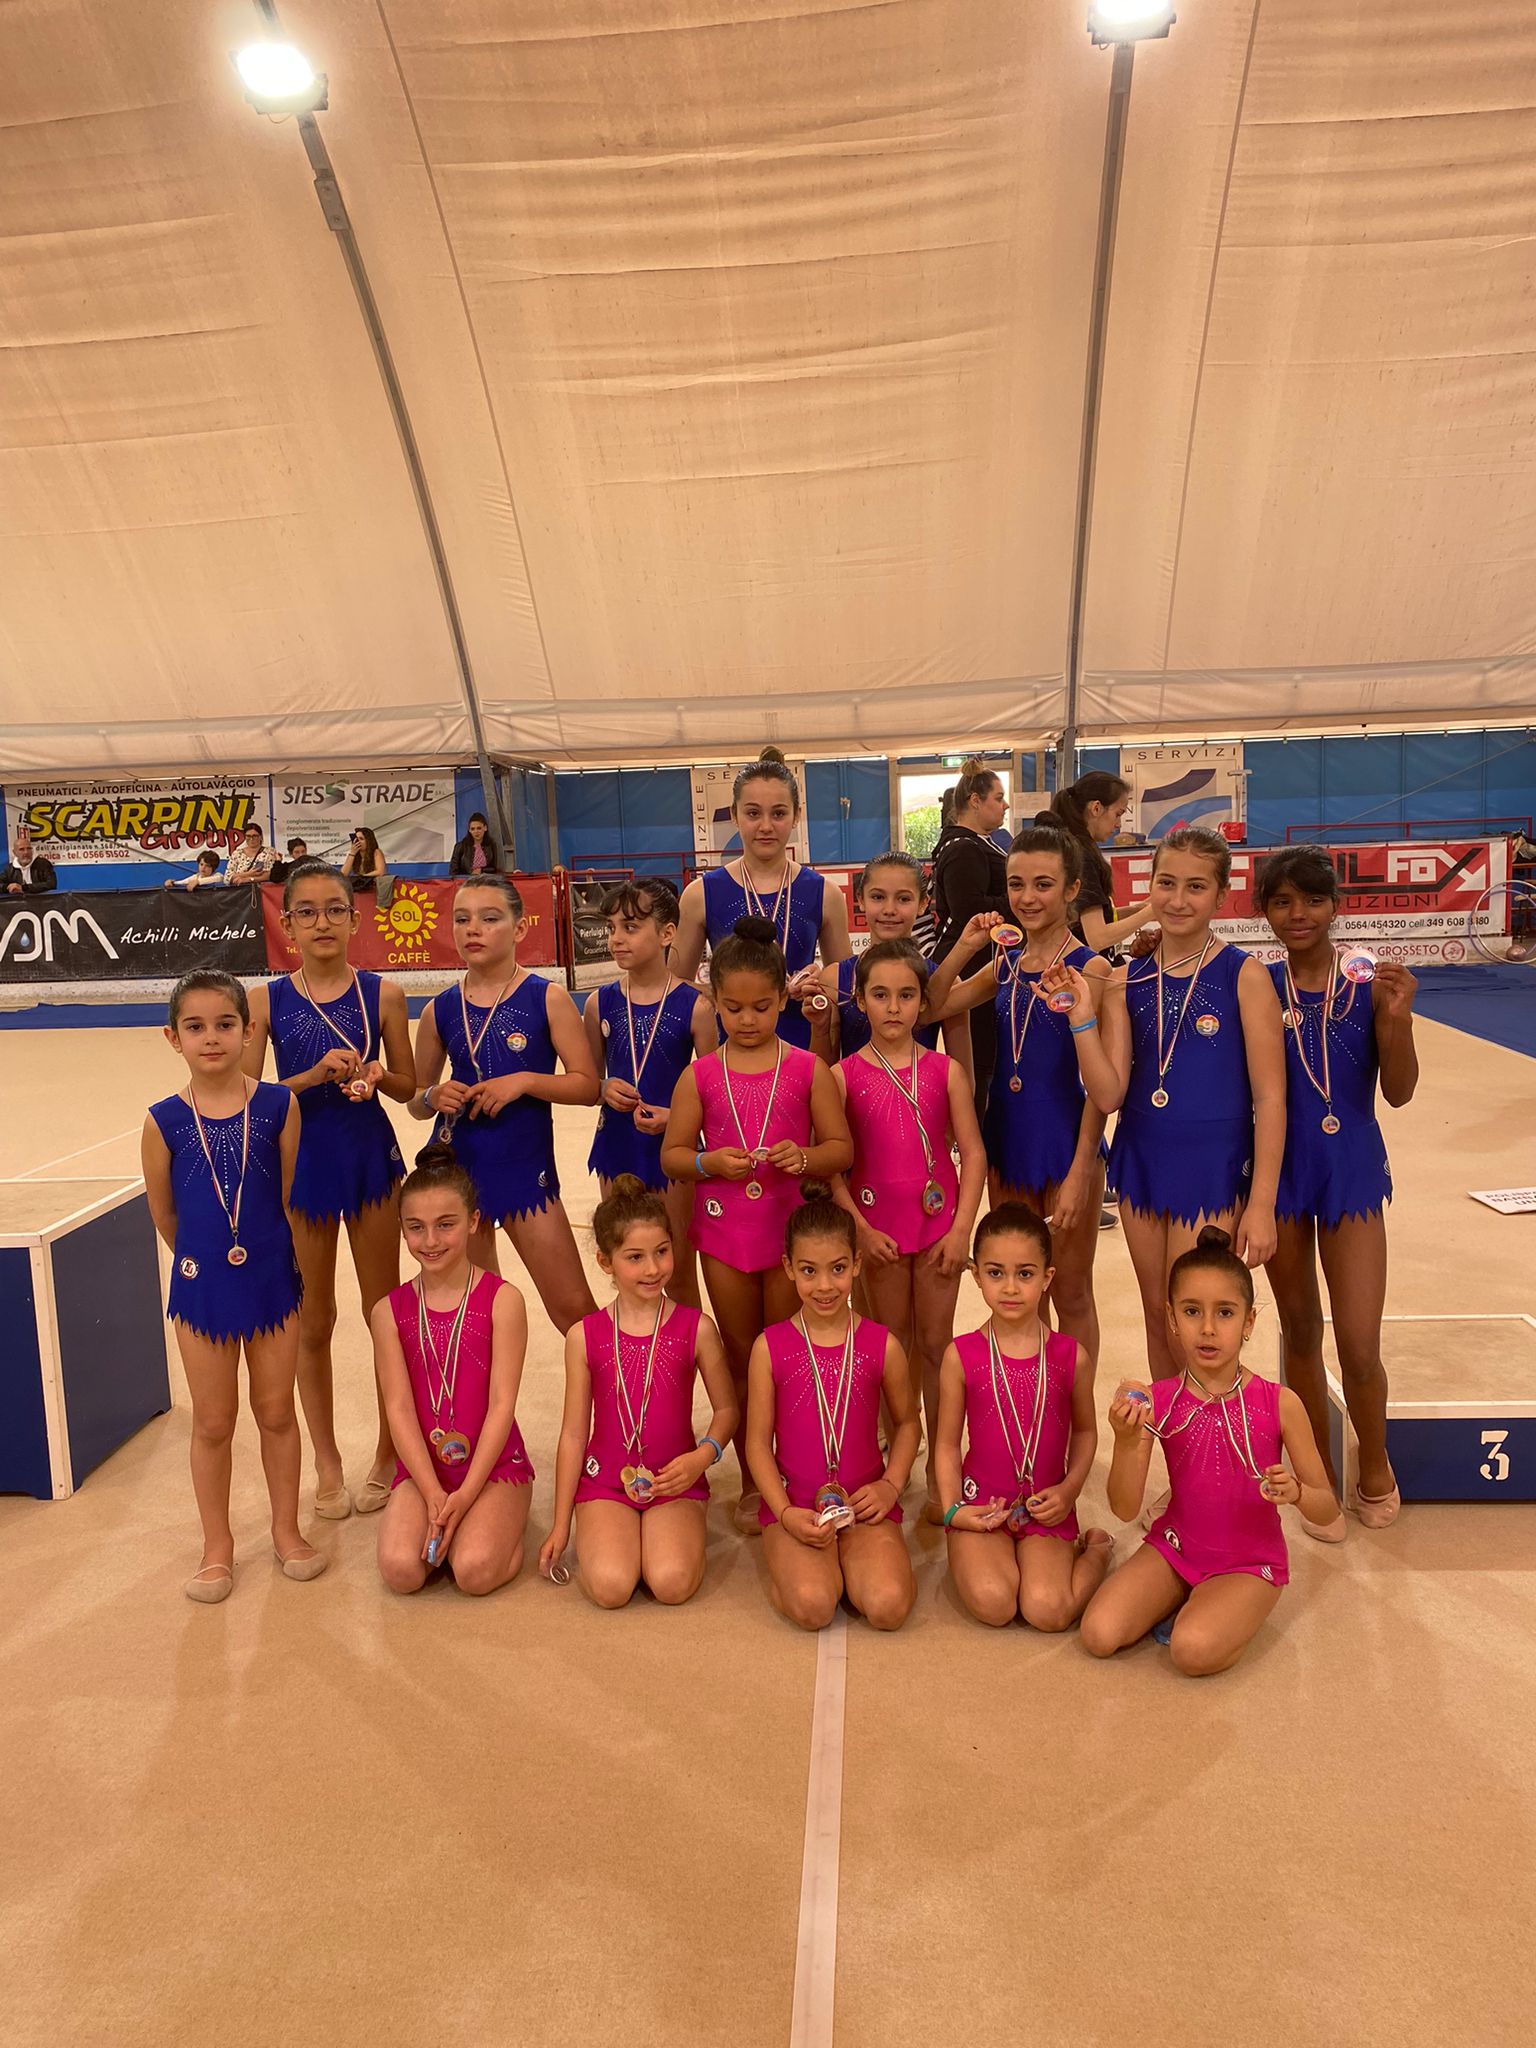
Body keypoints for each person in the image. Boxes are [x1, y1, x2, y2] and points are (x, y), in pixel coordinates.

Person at [1061, 825, 1287, 1380]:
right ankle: (1173, 1433)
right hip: (1142, 1164)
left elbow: (1270, 1098)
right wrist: (1083, 1020)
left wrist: (1261, 1203)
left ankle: (1211, 1434)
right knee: (1158, 1317)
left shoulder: (1244, 976)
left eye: (1195, 886)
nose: (1178, 900)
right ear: (1149, 886)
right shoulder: (1126, 979)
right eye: (1167, 883)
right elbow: (1109, 1093)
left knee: (1199, 1329)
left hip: (1212, 1170)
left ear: (1221, 894)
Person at [660, 916, 854, 1531]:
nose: (747, 1020)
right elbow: (672, 1155)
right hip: (726, 1233)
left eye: (762, 1007)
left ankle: (802, 1470)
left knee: (791, 1352)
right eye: (734, 1008)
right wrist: (708, 1162)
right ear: (714, 1002)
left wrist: (807, 1158)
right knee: (743, 1356)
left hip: (792, 1234)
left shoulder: (806, 1069)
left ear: (782, 1000)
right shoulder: (700, 1075)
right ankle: (752, 1478)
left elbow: (841, 1148)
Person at [139, 970, 324, 1603]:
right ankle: (216, 1544)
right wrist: (207, 1263)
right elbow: (166, 1215)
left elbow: (288, 1194)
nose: (211, 1037)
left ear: (249, 1031)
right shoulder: (163, 1121)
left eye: (225, 1024)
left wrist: (263, 1257)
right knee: (214, 1422)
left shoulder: (278, 1106)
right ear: (173, 1038)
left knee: (276, 1411)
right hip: (204, 1288)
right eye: (195, 1027)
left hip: (271, 1280)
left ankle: (286, 1529)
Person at [1080, 1227, 1336, 1675]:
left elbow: (1326, 1508)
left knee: (1191, 1651)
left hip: (1249, 1561)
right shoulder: (1158, 1401)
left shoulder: (1280, 1403)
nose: (1208, 1328)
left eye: (1226, 1313)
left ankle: (1215, 1606)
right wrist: (1125, 1441)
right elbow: (1124, 1508)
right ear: (1171, 1318)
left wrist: (1297, 1492)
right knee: (1099, 1634)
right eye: (1192, 1311)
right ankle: (1192, 1596)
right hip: (1177, 1546)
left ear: (1249, 1322)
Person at [243, 862, 413, 1518]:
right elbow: (250, 1097)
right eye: (307, 912)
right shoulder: (266, 1001)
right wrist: (313, 1075)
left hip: (369, 1160)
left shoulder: (384, 994)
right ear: (286, 924)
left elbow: (409, 1085)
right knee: (314, 1320)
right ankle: (327, 1456)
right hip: (303, 1164)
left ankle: (390, 1450)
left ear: (354, 918)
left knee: (383, 1314)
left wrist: (378, 1074)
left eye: (335, 910)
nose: (322, 922)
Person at [1258, 845, 1419, 1533]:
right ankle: (1315, 1472)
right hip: (1279, 1172)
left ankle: (1374, 1461)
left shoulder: (1370, 983)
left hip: (1350, 1167)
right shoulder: (1255, 985)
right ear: (1264, 911)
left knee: (1358, 1341)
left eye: (1313, 900)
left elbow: (1400, 1092)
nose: (1299, 914)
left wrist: (1398, 1019)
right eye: (1282, 901)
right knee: (1300, 1329)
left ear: (1335, 906)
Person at [924, 826, 1113, 1365]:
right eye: (1016, 884)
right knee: (1020, 1296)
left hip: (1066, 1143)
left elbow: (1099, 1087)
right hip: (1007, 1141)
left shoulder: (1092, 968)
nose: (1027, 898)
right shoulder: (1005, 962)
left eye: (1043, 884)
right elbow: (934, 1006)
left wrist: (1081, 1172)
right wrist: (964, 945)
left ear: (1072, 889)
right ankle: (1036, 1397)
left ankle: (1076, 1406)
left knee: (1070, 1292)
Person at [829, 939, 986, 1520]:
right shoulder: (842, 1077)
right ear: (860, 1001)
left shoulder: (946, 1072)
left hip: (940, 1226)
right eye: (880, 995)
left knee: (938, 1344)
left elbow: (973, 1154)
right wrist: (860, 1230)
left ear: (924, 1002)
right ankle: (893, 1452)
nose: (893, 1007)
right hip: (879, 1233)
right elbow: (833, 1168)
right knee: (889, 1345)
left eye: (905, 995)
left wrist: (962, 1229)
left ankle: (940, 1464)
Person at [410, 874, 599, 1335]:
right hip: (457, 1171)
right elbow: (416, 1100)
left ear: (519, 928)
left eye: (489, 919)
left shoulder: (546, 998)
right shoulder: (439, 1009)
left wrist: (525, 1081)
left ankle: (609, 1381)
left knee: (573, 1307)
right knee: (476, 1315)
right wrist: (434, 1095)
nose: (473, 929)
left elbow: (587, 1086)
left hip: (523, 1170)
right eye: (462, 919)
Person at [542, 1176, 738, 1607]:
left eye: (661, 1252)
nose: (652, 1269)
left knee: (671, 1583)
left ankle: (675, 1527)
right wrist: (560, 1525)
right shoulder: (584, 1336)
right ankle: (611, 1528)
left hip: (675, 1479)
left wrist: (702, 1457)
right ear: (605, 1261)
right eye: (635, 1257)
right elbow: (573, 1434)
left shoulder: (697, 1328)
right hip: (606, 1481)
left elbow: (727, 1410)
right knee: (611, 1587)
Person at [746, 1185, 918, 1632]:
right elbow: (757, 1444)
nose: (825, 1286)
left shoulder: (882, 1345)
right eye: (809, 1270)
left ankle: (852, 1563)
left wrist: (891, 1485)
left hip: (865, 1500)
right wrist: (784, 1511)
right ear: (789, 1268)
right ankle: (803, 1566)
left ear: (856, 1264)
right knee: (813, 1606)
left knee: (888, 1607)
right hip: (795, 1501)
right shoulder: (769, 1348)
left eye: (838, 1269)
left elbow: (907, 1424)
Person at [935, 1204, 1112, 1628]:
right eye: (996, 1273)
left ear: (1047, 1278)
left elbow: (1085, 1434)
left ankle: (1098, 1552)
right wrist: (953, 1509)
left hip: (1047, 1505)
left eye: (1025, 1274)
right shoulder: (961, 1355)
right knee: (994, 1603)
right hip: (981, 1502)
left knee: (1048, 1611)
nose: (1011, 1288)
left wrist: (1069, 1490)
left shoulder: (1072, 1356)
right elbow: (945, 1444)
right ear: (976, 1275)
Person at [372, 1148, 533, 1596]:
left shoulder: (504, 1301)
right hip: (424, 1466)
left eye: (446, 1224)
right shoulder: (387, 1312)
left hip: (492, 1465)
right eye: (416, 1227)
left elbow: (501, 1405)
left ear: (474, 1221)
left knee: (474, 1572)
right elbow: (399, 1409)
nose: (431, 1241)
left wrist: (467, 1494)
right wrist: (432, 1492)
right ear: (401, 1228)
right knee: (400, 1571)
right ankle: (455, 1521)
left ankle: (502, 1526)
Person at [584, 877, 716, 1308]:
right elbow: (587, 1082)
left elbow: (717, 1092)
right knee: (625, 1264)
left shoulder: (696, 1006)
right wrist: (603, 1086)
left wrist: (677, 1118)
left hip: (672, 1146)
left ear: (667, 933)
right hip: (616, 1144)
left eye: (630, 927)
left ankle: (685, 1348)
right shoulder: (599, 1003)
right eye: (611, 928)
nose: (616, 939)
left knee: (676, 1271)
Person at [671, 748, 851, 1048]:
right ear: (734, 815)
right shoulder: (700, 894)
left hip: (801, 1051)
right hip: (730, 1052)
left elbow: (844, 989)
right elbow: (674, 988)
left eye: (778, 813)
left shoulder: (825, 894)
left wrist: (819, 980)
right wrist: (720, 993)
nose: (766, 826)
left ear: (797, 815)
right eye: (753, 813)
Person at [806, 850, 970, 1076]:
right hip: (850, 1099)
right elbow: (822, 1077)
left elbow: (965, 1079)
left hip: (921, 1098)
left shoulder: (946, 982)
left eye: (903, 899)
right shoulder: (834, 980)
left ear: (923, 903)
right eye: (878, 897)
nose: (889, 910)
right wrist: (820, 1029)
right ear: (860, 900)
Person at [930, 758, 1010, 1117]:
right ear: (975, 801)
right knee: (978, 1062)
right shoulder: (964, 848)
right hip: (968, 964)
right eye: (999, 798)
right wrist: (1019, 903)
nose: (1005, 805)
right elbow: (969, 910)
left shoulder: (976, 844)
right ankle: (973, 1131)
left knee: (984, 1058)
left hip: (979, 962)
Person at [1033, 772, 1157, 955]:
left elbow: (1087, 920)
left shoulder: (1071, 847)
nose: (1118, 824)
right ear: (1096, 808)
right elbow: (1098, 938)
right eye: (1118, 814)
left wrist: (1139, 909)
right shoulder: (1080, 855)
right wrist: (1154, 911)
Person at [1, 825, 57, 895]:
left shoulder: (43, 864)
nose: (26, 852)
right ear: (14, 852)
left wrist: (24, 888)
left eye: (29, 848)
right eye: (21, 849)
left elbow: (51, 884)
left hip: (41, 900)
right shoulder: (10, 869)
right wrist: (8, 887)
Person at [449, 812, 499, 877]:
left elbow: (494, 868)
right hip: (466, 881)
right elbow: (453, 872)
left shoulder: (491, 845)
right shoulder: (460, 846)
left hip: (486, 880)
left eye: (479, 828)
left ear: (485, 828)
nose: (476, 831)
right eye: (473, 829)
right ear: (469, 830)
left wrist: (481, 870)